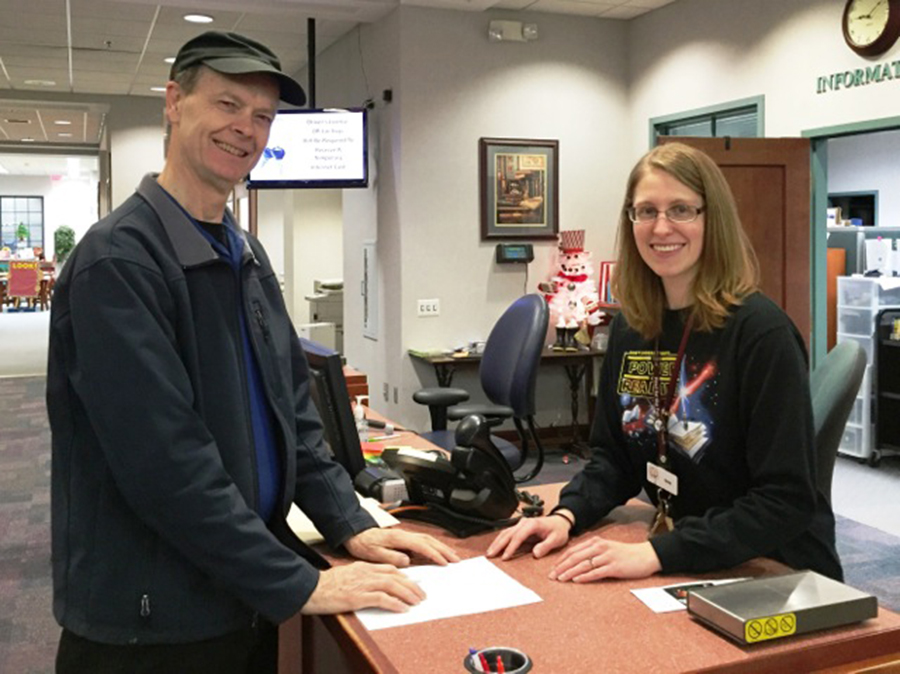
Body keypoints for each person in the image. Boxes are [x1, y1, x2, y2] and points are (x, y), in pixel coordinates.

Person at [47, 31, 458, 674]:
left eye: (262, 116)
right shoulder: (120, 260)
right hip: (151, 622)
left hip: (235, 590)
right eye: (227, 104)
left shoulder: (242, 253)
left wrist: (353, 523)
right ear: (175, 101)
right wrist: (300, 583)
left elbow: (294, 415)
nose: (247, 128)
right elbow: (166, 465)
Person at [487, 142, 842, 584]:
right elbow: (613, 458)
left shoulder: (761, 334)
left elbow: (784, 501)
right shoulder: (633, 325)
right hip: (687, 553)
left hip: (774, 566)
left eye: (681, 209)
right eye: (646, 211)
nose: (661, 227)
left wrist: (657, 553)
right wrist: (566, 514)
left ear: (713, 219)